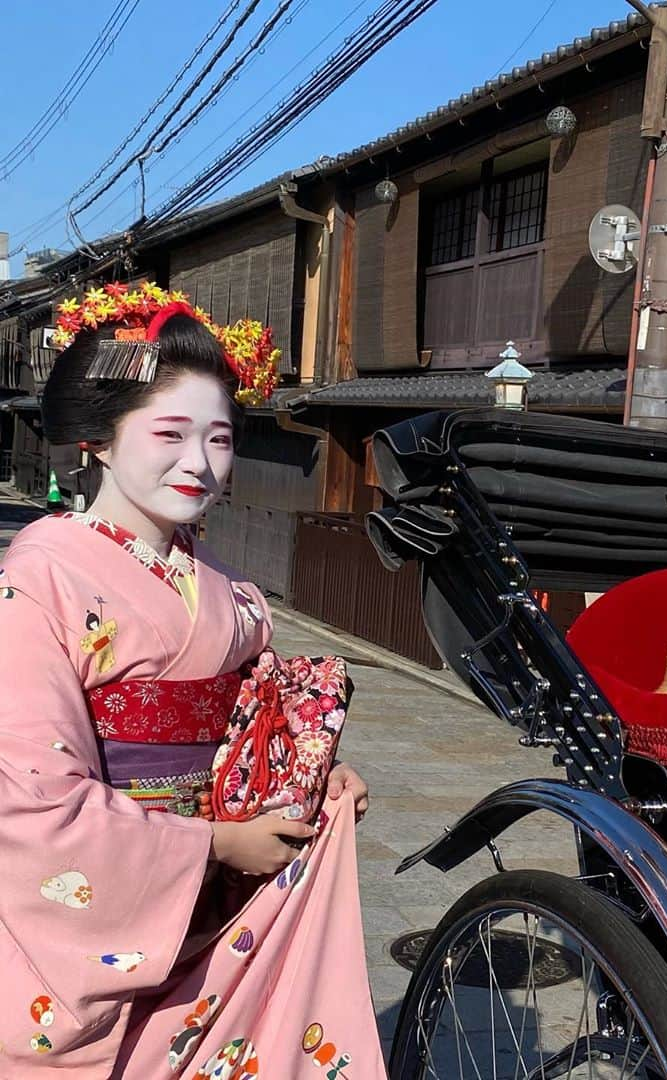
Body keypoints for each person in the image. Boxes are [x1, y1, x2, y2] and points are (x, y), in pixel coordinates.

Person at [0, 283, 386, 1077]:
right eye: (170, 433)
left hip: (219, 895)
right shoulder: (41, 576)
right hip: (113, 897)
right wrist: (209, 841)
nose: (198, 462)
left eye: (218, 438)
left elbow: (255, 730)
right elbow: (30, 791)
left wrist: (310, 780)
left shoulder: (230, 592)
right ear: (100, 441)